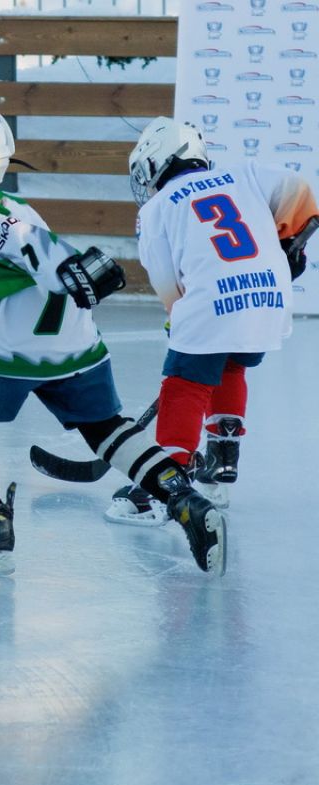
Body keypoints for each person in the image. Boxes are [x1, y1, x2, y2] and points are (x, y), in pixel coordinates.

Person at [0, 104, 227, 575]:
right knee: (106, 429)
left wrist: (63, 267)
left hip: (14, 347)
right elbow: (9, 270)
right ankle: (184, 501)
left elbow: (18, 241)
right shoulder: (15, 202)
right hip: (76, 341)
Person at [106, 117, 317, 520]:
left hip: (211, 304)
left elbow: (166, 279)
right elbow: (300, 193)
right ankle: (221, 462)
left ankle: (166, 486)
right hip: (268, 300)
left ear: (158, 161)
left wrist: (177, 314)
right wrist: (292, 246)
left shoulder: (157, 208)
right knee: (231, 367)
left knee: (184, 384)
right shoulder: (245, 174)